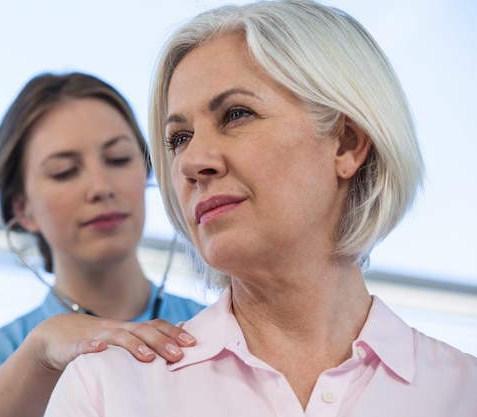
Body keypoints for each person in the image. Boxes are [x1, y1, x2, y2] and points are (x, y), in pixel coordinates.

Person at [43, 1, 477, 416]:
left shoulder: (465, 393)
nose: (193, 162)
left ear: (346, 143)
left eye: (236, 114)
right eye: (179, 138)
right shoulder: (106, 388)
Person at [0, 72, 204, 417]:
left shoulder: (217, 327)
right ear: (22, 209)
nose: (101, 187)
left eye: (118, 159)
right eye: (64, 171)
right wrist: (40, 352)